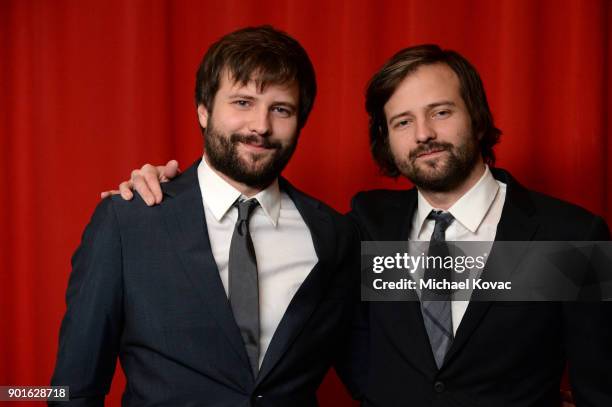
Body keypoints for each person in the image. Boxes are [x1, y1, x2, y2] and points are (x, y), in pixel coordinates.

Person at [115, 44, 612, 406]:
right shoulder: (367, 227)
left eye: (441, 112)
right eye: (402, 122)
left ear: (477, 119)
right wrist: (167, 185)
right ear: (388, 139)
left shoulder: (569, 237)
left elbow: (600, 389)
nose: (424, 134)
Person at [51, 26, 358, 406]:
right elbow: (71, 391)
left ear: (300, 123)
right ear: (203, 109)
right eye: (243, 102)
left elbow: (392, 365)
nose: (260, 126)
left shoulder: (337, 236)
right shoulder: (128, 220)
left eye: (280, 109)